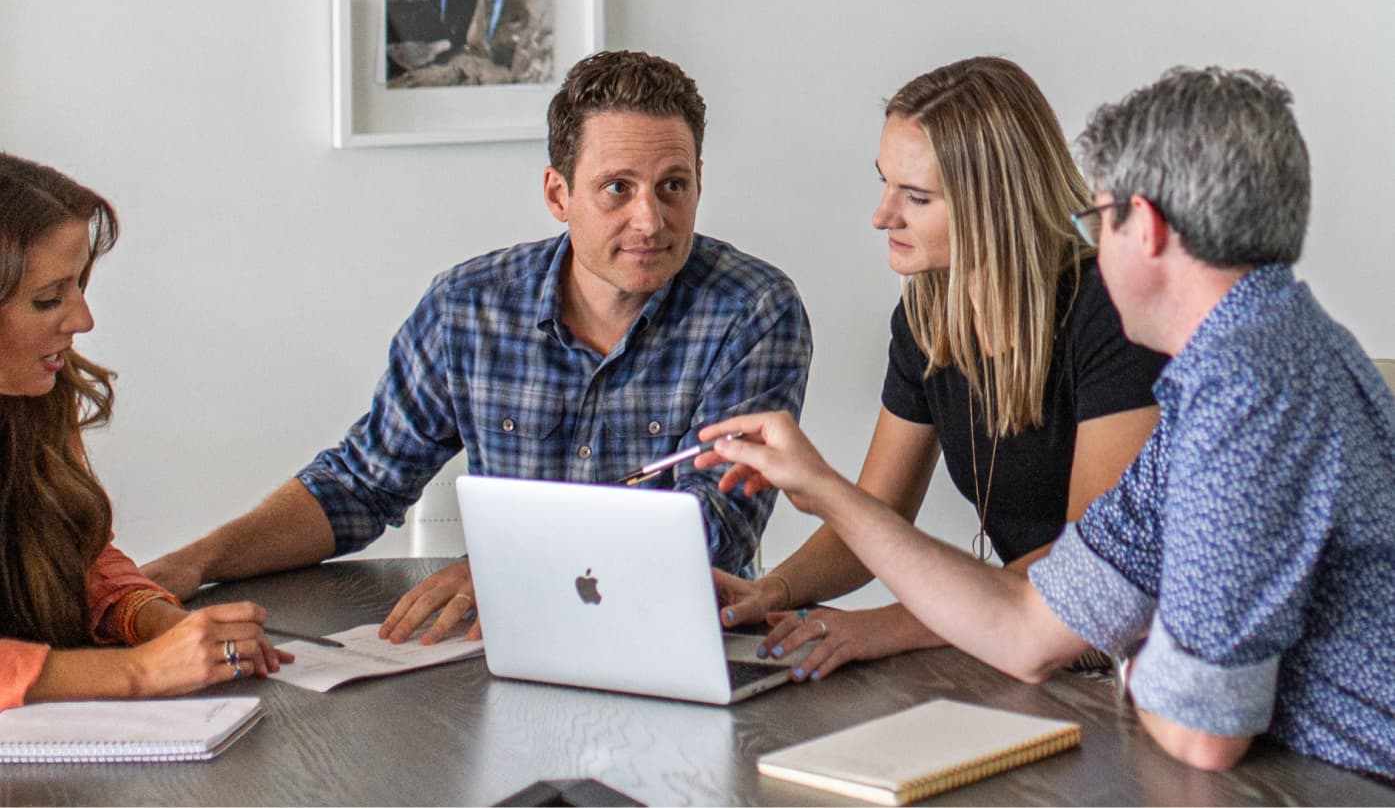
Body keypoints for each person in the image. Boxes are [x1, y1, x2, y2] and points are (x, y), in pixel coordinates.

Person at [697, 66, 1395, 779]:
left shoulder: (1244, 388)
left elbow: (1198, 732)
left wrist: (1136, 654)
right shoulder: (1238, 362)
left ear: (1143, 228)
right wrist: (821, 491)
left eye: (1098, 219)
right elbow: (1033, 628)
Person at [142, 50, 813, 645]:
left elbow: (714, 527)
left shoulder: (752, 310)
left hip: (678, 637)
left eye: (673, 186)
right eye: (617, 188)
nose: (651, 219)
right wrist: (197, 562)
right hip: (500, 643)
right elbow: (360, 483)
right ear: (558, 193)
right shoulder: (467, 307)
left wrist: (511, 564)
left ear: (699, 181)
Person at [716, 57, 1166, 681]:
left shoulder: (1111, 315)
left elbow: (1093, 566)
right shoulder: (927, 317)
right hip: (1026, 653)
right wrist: (769, 592)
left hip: (1127, 663)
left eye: (916, 197)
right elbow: (873, 521)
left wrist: (887, 626)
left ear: (995, 204)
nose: (882, 216)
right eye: (884, 184)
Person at [0, 154, 289, 711]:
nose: (83, 320)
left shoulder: (33, 394)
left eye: (78, 285)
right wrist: (136, 671)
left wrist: (156, 622)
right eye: (48, 299)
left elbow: (69, 548)